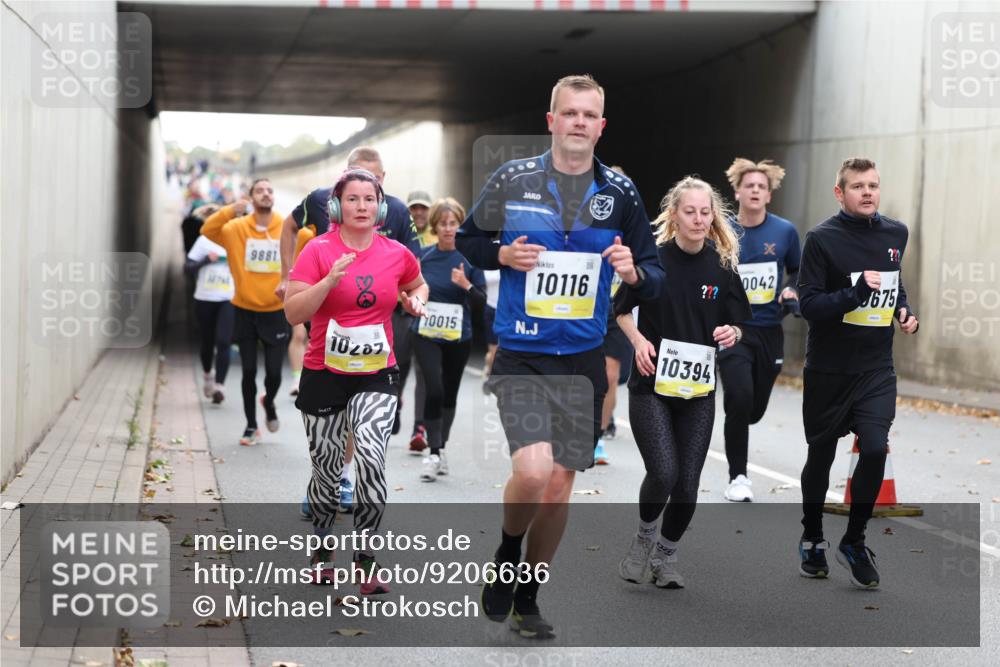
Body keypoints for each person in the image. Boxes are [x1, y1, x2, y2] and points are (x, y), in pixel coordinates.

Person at [457, 74, 664, 638]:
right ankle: (506, 553)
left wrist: (633, 272)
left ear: (601, 126)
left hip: (582, 358)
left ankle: (529, 595)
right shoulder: (514, 178)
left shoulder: (619, 193)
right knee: (532, 472)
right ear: (552, 121)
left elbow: (654, 273)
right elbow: (469, 241)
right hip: (522, 353)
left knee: (559, 487)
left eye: (588, 114)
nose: (578, 122)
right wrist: (500, 252)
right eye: (568, 112)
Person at [284, 168, 427, 588]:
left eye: (369, 199)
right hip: (323, 372)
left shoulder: (397, 252)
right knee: (327, 469)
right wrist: (328, 282)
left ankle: (365, 559)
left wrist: (416, 302)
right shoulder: (317, 251)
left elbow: (418, 285)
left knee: (371, 457)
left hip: (376, 372)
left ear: (380, 206)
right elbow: (294, 313)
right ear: (336, 206)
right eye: (352, 199)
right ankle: (324, 548)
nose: (361, 206)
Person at [615, 176, 751, 590]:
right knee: (663, 473)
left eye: (704, 212)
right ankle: (642, 540)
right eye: (689, 211)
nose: (697, 219)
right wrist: (638, 342)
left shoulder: (722, 265)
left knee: (688, 483)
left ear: (713, 217)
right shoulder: (653, 261)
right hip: (652, 384)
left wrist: (733, 334)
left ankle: (666, 556)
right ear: (674, 215)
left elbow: (739, 320)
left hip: (697, 390)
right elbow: (620, 311)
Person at [796, 157, 918, 588]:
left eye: (873, 186)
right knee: (821, 456)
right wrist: (854, 293)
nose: (867, 193)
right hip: (830, 369)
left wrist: (904, 311)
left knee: (874, 449)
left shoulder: (895, 233)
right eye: (857, 186)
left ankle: (854, 539)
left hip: (875, 368)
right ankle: (812, 537)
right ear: (839, 193)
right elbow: (808, 306)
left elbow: (894, 283)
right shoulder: (821, 240)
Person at [719, 158, 802, 502]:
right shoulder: (720, 229)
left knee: (754, 408)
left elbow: (798, 271)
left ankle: (743, 416)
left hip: (770, 330)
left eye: (761, 187)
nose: (755, 191)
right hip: (733, 330)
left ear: (769, 195)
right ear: (737, 191)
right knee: (738, 399)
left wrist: (791, 289)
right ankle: (738, 477)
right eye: (749, 185)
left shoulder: (784, 232)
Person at [201, 178, 288, 446]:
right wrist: (231, 210)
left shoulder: (286, 227)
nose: (266, 193)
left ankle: (269, 401)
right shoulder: (236, 228)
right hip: (245, 309)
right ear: (250, 198)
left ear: (274, 197)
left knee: (274, 373)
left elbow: (316, 236)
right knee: (248, 370)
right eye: (260, 190)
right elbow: (208, 228)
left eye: (270, 190)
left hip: (276, 311)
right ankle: (251, 425)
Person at [410, 198, 486, 481]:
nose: (448, 229)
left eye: (453, 223)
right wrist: (414, 301)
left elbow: (481, 304)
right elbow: (408, 289)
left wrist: (465, 285)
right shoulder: (424, 258)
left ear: (460, 225)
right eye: (442, 224)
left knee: (450, 393)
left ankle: (440, 448)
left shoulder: (469, 260)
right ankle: (433, 451)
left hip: (459, 336)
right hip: (426, 333)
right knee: (434, 389)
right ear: (435, 227)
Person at [184, 205, 233, 403]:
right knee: (207, 342)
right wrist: (206, 259)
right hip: (204, 297)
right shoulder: (203, 241)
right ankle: (207, 375)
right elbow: (187, 268)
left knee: (224, 341)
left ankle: (219, 386)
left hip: (228, 297)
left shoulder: (234, 239)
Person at [481, 268, 501, 394]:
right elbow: (483, 280)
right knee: (494, 353)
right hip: (491, 309)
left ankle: (497, 379)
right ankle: (489, 370)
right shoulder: (488, 264)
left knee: (503, 351)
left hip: (507, 310)